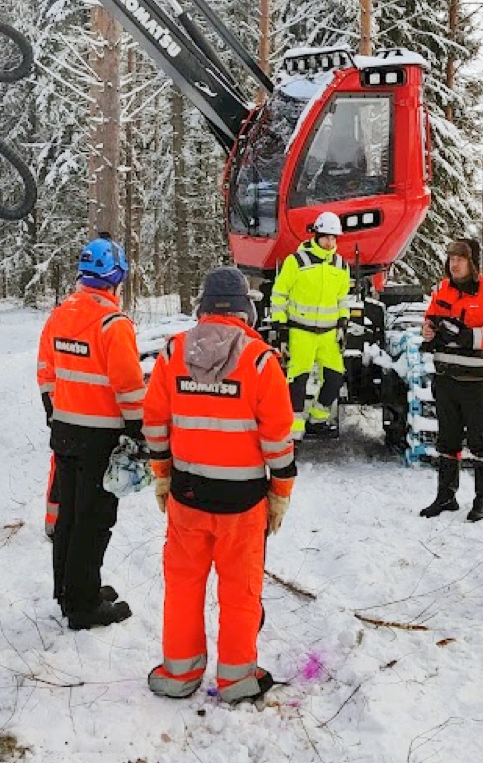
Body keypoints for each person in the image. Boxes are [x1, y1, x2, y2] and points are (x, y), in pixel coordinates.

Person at [144, 266, 297, 704]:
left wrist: (162, 476)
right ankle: (236, 679)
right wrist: (280, 493)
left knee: (183, 584)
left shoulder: (173, 354)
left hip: (187, 495)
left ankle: (179, 673)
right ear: (245, 310)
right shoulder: (261, 360)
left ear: (203, 307)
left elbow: (156, 423)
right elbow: (277, 439)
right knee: (240, 591)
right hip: (243, 502)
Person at [36, 234, 146, 630]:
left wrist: (56, 409)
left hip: (64, 430)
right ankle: (83, 605)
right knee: (93, 519)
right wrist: (140, 431)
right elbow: (130, 388)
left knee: (67, 516)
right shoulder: (114, 325)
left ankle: (69, 591)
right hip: (100, 438)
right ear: (116, 278)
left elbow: (46, 371)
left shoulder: (60, 314)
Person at [418, 238, 483, 521]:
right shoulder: (441, 289)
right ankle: (446, 497)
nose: (454, 263)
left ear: (473, 263)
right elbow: (429, 319)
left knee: (480, 443)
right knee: (447, 441)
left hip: (478, 382)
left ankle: (482, 501)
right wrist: (429, 332)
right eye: (451, 258)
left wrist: (464, 335)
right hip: (446, 379)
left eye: (460, 258)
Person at [270, 211, 351, 439]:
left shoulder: (340, 265)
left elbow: (342, 298)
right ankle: (293, 433)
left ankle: (318, 419)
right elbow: (279, 295)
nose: (330, 242)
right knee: (298, 381)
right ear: (316, 235)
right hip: (301, 332)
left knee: (335, 378)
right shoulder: (296, 262)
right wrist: (281, 327)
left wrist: (343, 322)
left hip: (329, 335)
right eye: (326, 237)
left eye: (334, 238)